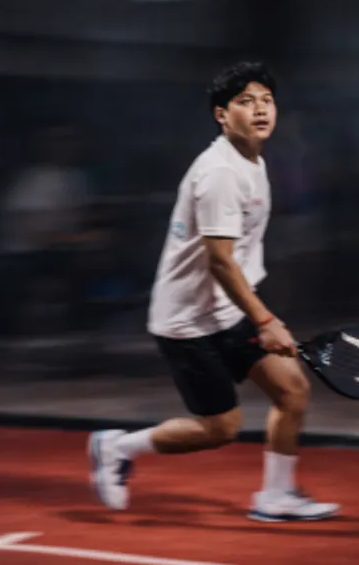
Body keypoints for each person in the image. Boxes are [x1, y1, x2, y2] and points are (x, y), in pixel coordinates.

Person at [88, 62, 339, 522]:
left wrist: (255, 317)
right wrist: (266, 320)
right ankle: (117, 447)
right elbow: (219, 262)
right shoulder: (220, 173)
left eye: (267, 100)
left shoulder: (253, 161)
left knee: (292, 390)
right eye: (246, 102)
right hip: (187, 322)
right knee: (221, 428)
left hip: (227, 310)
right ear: (222, 115)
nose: (260, 109)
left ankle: (276, 496)